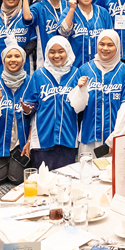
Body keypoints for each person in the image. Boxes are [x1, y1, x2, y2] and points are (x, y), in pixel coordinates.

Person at [27, 37, 88, 171]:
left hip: (68, 136)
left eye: (61, 51)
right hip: (42, 138)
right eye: (52, 52)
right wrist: (27, 109)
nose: (56, 55)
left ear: (68, 51)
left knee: (66, 177)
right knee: (42, 178)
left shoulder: (77, 73)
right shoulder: (38, 74)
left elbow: (81, 106)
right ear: (46, 53)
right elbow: (30, 103)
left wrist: (81, 89)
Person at [77, 30, 125, 157]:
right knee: (87, 169)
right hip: (89, 138)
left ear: (117, 46)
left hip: (114, 141)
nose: (105, 48)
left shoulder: (124, 71)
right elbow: (77, 108)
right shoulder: (85, 69)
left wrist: (114, 140)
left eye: (110, 45)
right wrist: (79, 90)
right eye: (102, 44)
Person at [0, 45, 33, 186]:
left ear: (23, 60)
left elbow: (36, 117)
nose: (13, 59)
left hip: (21, 142)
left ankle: (12, 161)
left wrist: (29, 141)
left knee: (17, 179)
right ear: (3, 60)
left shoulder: (31, 82)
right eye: (9, 56)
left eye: (17, 56)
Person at [60, 0, 113, 68]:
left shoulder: (103, 12)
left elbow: (111, 38)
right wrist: (72, 9)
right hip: (74, 67)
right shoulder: (69, 11)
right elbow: (63, 32)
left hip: (100, 67)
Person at [29, 0, 69, 65]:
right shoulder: (39, 7)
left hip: (67, 55)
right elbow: (27, 18)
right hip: (45, 57)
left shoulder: (69, 6)